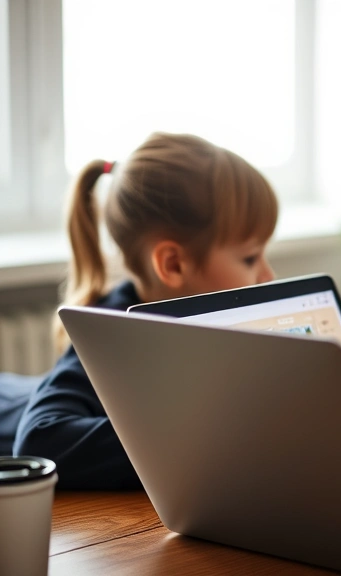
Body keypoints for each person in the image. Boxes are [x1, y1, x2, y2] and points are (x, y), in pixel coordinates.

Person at [12, 132, 278, 489]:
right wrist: (199, 440)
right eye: (249, 258)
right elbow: (38, 440)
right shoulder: (113, 333)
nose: (268, 274)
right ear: (172, 264)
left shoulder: (210, 328)